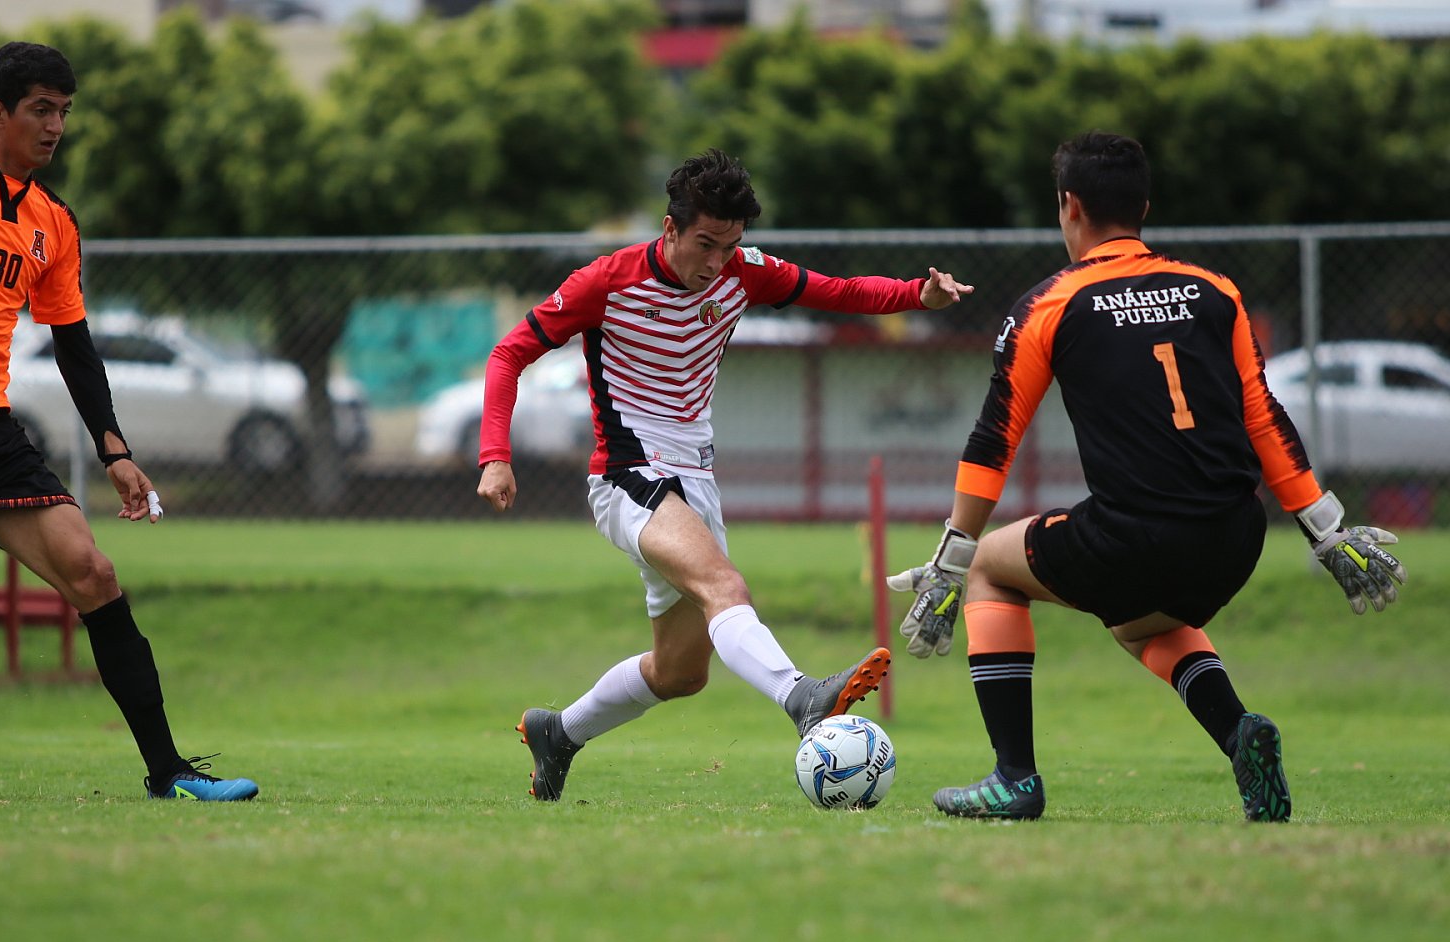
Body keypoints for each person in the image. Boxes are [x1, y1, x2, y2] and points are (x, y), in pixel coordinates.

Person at [887, 131, 1407, 823]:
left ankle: (1014, 778)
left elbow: (994, 441)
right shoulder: (1215, 290)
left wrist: (950, 562)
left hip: (1133, 535)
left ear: (1070, 205)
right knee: (1141, 625)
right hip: (1236, 534)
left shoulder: (1049, 303)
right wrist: (1328, 532)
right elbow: (1264, 417)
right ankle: (1239, 734)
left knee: (989, 568)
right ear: (1145, 208)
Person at [478, 147, 974, 801]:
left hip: (695, 482)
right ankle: (802, 697)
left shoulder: (744, 272)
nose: (716, 263)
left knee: (681, 672)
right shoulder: (607, 281)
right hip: (628, 476)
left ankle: (558, 733)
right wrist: (495, 454)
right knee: (725, 587)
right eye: (705, 244)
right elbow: (509, 352)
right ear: (670, 229)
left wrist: (917, 294)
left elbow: (838, 291)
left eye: (730, 245)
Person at [0, 41, 257, 800]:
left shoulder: (52, 222)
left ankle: (169, 773)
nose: (55, 127)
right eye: (41, 109)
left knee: (95, 574)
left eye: (64, 112)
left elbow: (73, 343)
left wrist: (115, 451)